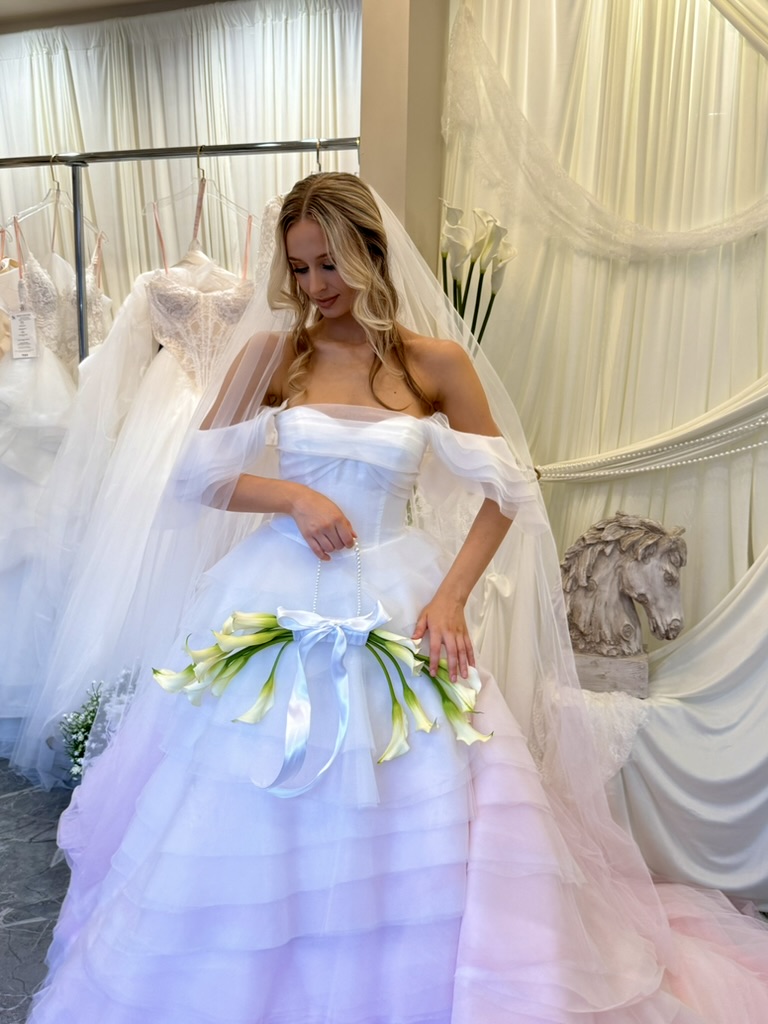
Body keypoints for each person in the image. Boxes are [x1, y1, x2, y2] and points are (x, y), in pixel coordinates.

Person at [26, 173, 768, 1023]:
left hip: (399, 591)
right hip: (276, 596)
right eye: (300, 270)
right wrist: (293, 498)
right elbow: (199, 477)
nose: (314, 288)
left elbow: (508, 492)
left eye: (329, 265)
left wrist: (451, 597)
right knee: (247, 794)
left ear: (372, 253)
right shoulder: (275, 356)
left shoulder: (432, 363)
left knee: (417, 788)